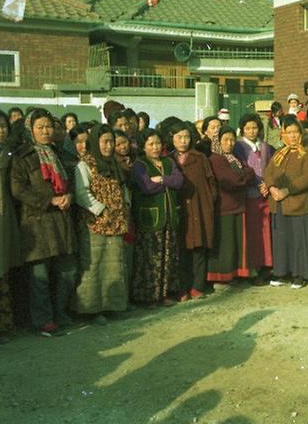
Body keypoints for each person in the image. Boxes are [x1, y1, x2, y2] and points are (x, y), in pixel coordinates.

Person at [10, 108, 77, 336]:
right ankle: (43, 320)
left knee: (67, 272)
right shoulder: (22, 156)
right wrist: (49, 200)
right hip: (37, 222)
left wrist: (69, 196)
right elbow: (18, 189)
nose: (46, 131)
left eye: (48, 126)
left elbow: (71, 182)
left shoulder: (58, 153)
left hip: (61, 219)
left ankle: (60, 313)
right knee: (40, 276)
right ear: (30, 129)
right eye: (40, 127)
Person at [73, 124, 130, 325]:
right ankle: (91, 309)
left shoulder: (113, 164)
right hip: (94, 223)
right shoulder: (85, 165)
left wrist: (124, 204)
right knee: (94, 266)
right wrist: (101, 209)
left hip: (115, 223)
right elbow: (82, 193)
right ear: (95, 143)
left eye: (111, 141)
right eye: (105, 141)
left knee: (113, 266)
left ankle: (112, 306)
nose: (108, 145)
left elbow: (121, 187)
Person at [263, 116, 308, 289]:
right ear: (283, 134)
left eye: (295, 132)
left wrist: (286, 191)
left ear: (301, 134)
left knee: (298, 240)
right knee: (281, 240)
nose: (293, 136)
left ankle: (300, 275)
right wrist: (272, 188)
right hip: (278, 204)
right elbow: (268, 172)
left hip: (297, 203)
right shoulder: (279, 153)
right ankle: (281, 273)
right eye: (289, 132)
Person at [131, 129, 184, 307]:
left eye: (158, 143)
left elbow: (179, 182)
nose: (155, 147)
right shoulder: (140, 164)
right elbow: (146, 187)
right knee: (150, 258)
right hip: (150, 218)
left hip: (169, 218)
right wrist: (167, 182)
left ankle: (165, 294)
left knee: (167, 257)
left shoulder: (168, 162)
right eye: (151, 144)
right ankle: (148, 297)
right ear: (143, 146)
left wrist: (161, 179)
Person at [170, 122, 217, 300]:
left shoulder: (200, 158)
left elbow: (211, 182)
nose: (183, 141)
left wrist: (209, 202)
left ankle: (198, 286)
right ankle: (182, 287)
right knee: (182, 250)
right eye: (179, 137)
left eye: (186, 137)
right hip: (180, 208)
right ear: (172, 139)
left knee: (198, 248)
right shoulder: (169, 159)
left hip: (200, 207)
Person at [208, 127, 257, 284]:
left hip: (237, 204)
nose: (229, 143)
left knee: (236, 242)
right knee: (226, 243)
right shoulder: (216, 159)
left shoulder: (234, 158)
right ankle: (223, 276)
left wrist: (243, 176)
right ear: (218, 141)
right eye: (225, 140)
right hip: (225, 206)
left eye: (232, 140)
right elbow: (231, 181)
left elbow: (250, 172)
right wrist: (244, 177)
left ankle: (237, 274)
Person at [0, 108, 22, 344]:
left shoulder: (9, 155)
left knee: (0, 273)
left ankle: (1, 327)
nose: (1, 130)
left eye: (4, 126)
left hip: (3, 221)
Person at [233, 113, 275, 285]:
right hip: (249, 195)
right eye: (248, 128)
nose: (251, 131)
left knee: (266, 231)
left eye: (254, 127)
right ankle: (253, 268)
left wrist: (268, 184)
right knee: (253, 233)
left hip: (266, 195)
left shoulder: (266, 147)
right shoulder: (238, 147)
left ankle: (267, 266)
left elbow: (272, 168)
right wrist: (258, 184)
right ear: (242, 129)